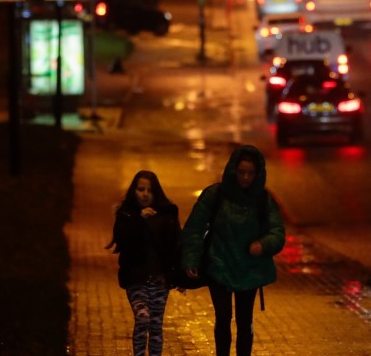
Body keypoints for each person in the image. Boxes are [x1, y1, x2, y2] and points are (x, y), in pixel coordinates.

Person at [181, 145, 285, 356]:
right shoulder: (215, 195)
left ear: (258, 174)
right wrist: (190, 259)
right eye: (241, 172)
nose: (245, 178)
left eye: (250, 173)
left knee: (245, 322)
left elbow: (277, 232)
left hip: (249, 269)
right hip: (219, 265)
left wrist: (263, 245)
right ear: (233, 170)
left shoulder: (263, 200)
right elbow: (194, 228)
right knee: (223, 319)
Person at [106, 170, 182, 356]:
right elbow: (123, 240)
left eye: (149, 190)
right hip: (136, 279)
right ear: (134, 191)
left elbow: (176, 245)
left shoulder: (167, 214)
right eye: (141, 189)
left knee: (156, 324)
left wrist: (179, 275)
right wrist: (141, 221)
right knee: (142, 318)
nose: (145, 194)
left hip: (159, 279)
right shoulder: (126, 215)